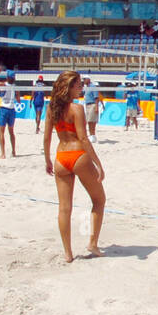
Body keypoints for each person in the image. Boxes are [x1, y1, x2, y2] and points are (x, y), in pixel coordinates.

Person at [44, 70, 107, 263]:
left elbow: (46, 138)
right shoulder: (76, 108)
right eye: (78, 84)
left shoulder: (51, 108)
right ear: (69, 87)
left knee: (64, 208)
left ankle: (68, 253)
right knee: (99, 199)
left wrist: (47, 160)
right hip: (78, 155)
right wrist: (98, 163)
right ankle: (92, 243)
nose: (81, 87)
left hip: (61, 157)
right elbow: (84, 139)